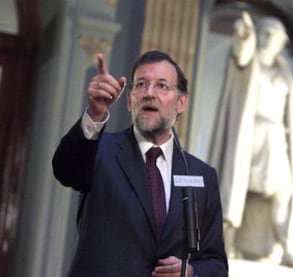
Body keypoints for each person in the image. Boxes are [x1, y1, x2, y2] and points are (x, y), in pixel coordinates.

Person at [52, 50, 228, 276]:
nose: (149, 93)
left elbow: (217, 265)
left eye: (162, 86)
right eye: (141, 85)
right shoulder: (99, 150)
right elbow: (65, 170)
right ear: (129, 100)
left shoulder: (202, 176)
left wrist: (192, 272)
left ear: (181, 102)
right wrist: (95, 114)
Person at [209, 11, 293, 273]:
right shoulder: (248, 63)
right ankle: (224, 244)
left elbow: (290, 116)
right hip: (250, 133)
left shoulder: (285, 74)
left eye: (274, 35)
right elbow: (242, 54)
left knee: (284, 189)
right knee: (237, 189)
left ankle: (287, 246)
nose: (268, 39)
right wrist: (244, 36)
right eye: (264, 33)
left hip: (276, 137)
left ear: (282, 42)